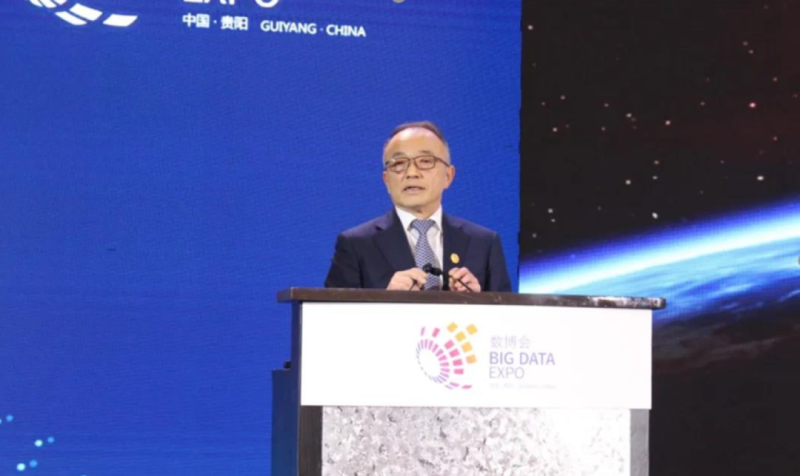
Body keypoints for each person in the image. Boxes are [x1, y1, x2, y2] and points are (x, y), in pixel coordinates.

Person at [324, 121, 512, 292]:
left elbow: (507, 315)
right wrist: (385, 302)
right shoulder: (356, 244)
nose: (412, 173)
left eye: (425, 161)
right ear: (387, 181)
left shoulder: (484, 243)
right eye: (399, 164)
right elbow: (331, 316)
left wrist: (480, 302)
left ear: (448, 176)